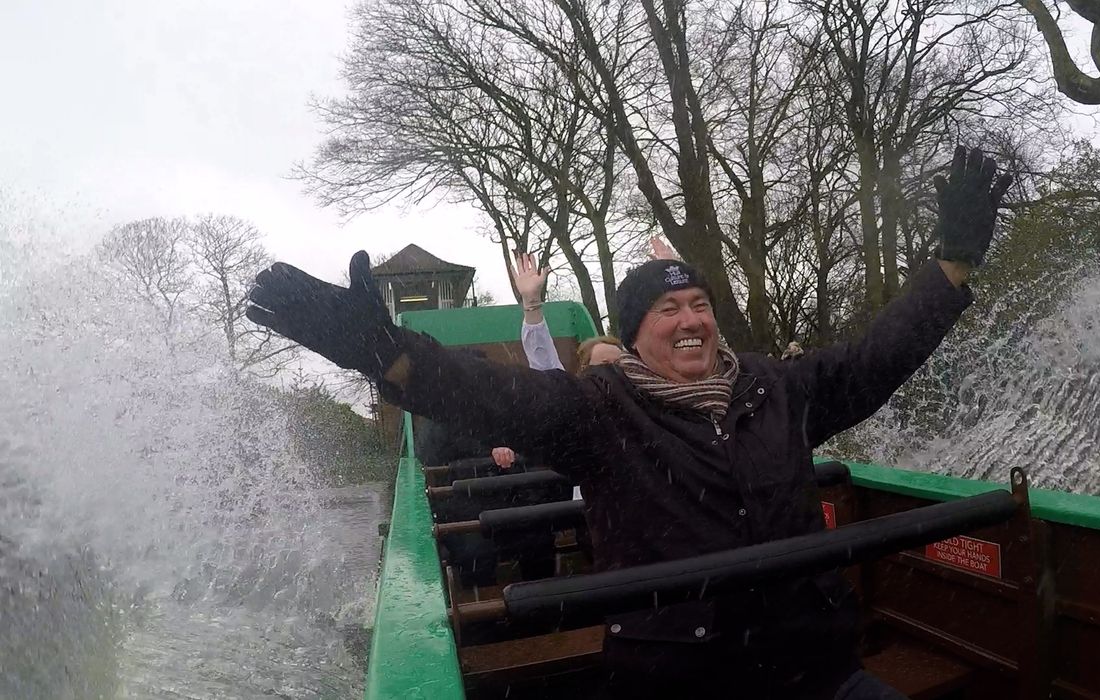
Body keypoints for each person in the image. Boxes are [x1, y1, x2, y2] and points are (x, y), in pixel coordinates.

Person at [246, 146, 1013, 699]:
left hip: (815, 671)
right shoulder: (601, 412)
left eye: (700, 305)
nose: (690, 320)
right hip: (677, 679)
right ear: (636, 331)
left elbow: (874, 360)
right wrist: (385, 354)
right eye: (667, 309)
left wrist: (950, 267)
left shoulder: (779, 389)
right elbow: (482, 394)